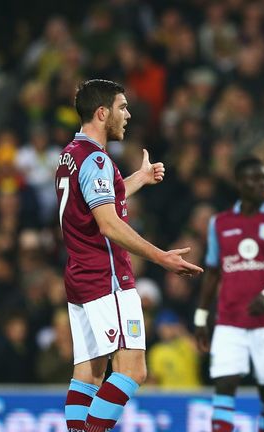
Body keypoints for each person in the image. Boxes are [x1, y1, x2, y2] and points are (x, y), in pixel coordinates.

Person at [55, 79, 203, 432]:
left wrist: (135, 179)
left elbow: (92, 205)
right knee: (132, 370)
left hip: (80, 277)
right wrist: (161, 257)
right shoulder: (96, 159)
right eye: (122, 107)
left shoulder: (70, 155)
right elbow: (108, 224)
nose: (128, 114)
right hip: (108, 279)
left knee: (89, 374)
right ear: (102, 112)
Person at [195, 157, 264, 432]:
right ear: (239, 183)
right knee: (224, 384)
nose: (262, 184)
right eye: (255, 179)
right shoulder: (220, 223)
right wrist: (201, 316)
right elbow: (213, 272)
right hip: (230, 321)